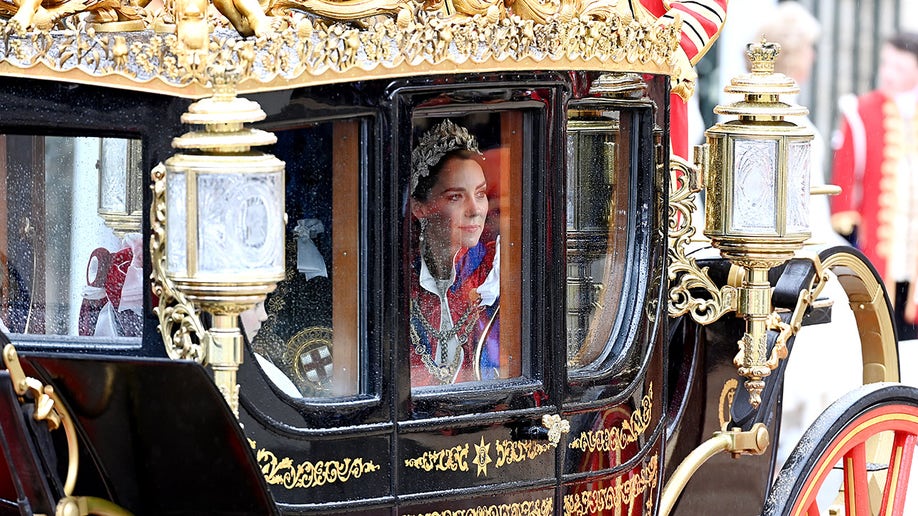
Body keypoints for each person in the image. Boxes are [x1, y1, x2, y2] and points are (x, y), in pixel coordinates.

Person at [830, 31, 918, 340]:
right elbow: (845, 173)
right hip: (880, 242)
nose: (889, 74)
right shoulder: (862, 111)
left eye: (900, 68)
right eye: (886, 64)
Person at [408, 119, 500, 387]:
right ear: (420, 208)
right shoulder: (399, 280)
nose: (475, 209)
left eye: (480, 194)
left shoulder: (495, 271)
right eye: (455, 197)